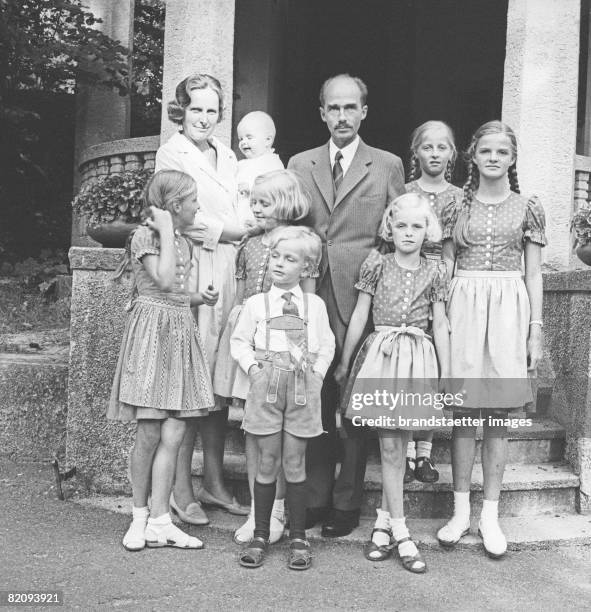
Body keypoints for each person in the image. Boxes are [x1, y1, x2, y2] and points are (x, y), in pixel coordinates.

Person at [288, 73, 405, 537]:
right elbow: (289, 223)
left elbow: (398, 231)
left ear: (364, 112)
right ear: (322, 113)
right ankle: (315, 496)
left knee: (356, 402)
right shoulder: (301, 163)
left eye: (350, 107)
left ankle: (346, 501)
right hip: (310, 294)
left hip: (362, 298)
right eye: (333, 108)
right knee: (315, 396)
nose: (342, 116)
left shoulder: (387, 164)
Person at [437, 120, 546, 558]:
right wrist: (440, 319)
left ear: (512, 158)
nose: (494, 158)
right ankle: (460, 510)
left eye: (502, 152)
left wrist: (535, 329)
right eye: (486, 151)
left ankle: (490, 515)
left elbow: (534, 273)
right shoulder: (455, 206)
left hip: (508, 306)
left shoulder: (527, 207)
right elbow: (445, 265)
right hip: (463, 301)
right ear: (473, 156)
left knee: (498, 414)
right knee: (465, 412)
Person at [334, 193, 450, 574]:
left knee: (399, 446)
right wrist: (345, 361)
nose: (409, 232)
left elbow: (441, 324)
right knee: (388, 446)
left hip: (417, 358)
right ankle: (402, 533)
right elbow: (359, 316)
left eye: (417, 226)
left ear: (427, 229)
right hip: (382, 356)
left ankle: (383, 523)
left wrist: (446, 373)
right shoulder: (377, 263)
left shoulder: (435, 270)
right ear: (390, 226)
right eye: (401, 225)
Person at [107, 170, 219, 551]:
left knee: (174, 432)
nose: (198, 206)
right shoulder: (146, 236)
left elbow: (176, 293)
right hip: (152, 334)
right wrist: (168, 230)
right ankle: (138, 517)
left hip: (178, 331)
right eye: (192, 201)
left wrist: (199, 299)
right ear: (173, 207)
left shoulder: (183, 242)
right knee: (150, 431)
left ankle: (160, 519)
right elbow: (164, 279)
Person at [156, 73, 249, 524]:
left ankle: (214, 482)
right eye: (196, 109)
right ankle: (180, 487)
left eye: (212, 111)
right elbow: (176, 217)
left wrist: (244, 228)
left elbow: (245, 205)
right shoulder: (171, 154)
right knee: (190, 380)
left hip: (231, 271)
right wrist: (231, 230)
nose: (204, 119)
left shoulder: (229, 154)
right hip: (194, 267)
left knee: (219, 379)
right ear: (181, 110)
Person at [212, 169, 315, 544]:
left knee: (284, 435)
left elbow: (308, 302)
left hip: (284, 350)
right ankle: (260, 509)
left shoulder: (302, 243)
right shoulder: (249, 244)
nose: (254, 209)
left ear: (286, 205)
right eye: (252, 201)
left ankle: (278, 510)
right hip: (249, 345)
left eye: (264, 203)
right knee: (255, 429)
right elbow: (239, 300)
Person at [231, 225, 335, 570]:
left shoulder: (313, 305)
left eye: (289, 259)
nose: (279, 263)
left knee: (294, 463)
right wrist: (255, 371)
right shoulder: (256, 304)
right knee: (266, 462)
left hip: (303, 390)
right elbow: (239, 341)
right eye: (276, 256)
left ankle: (298, 536)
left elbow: (326, 344)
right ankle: (261, 533)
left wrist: (317, 376)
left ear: (306, 268)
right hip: (267, 389)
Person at [404, 120, 463, 485]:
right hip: (405, 278)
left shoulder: (458, 196)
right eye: (428, 147)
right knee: (407, 370)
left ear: (452, 154)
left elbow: (451, 252)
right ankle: (406, 453)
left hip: (438, 283)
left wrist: (444, 285)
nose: (435, 153)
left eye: (442, 147)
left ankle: (424, 453)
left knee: (428, 369)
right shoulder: (405, 189)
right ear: (416, 152)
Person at [236, 111, 285, 226]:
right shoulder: (241, 164)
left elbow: (276, 194)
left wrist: (251, 190)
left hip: (261, 220)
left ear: (268, 140)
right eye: (240, 139)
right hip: (240, 219)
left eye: (249, 137)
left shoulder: (272, 164)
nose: (243, 142)